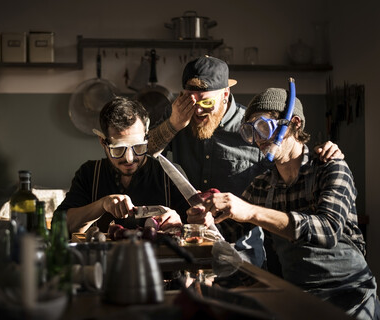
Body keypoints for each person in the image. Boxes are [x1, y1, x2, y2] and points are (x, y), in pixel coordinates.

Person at [190, 87, 379, 319]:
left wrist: (250, 211)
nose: (258, 140)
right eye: (250, 132)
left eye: (263, 127)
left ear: (295, 123)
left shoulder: (330, 168)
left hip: (350, 299)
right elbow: (225, 231)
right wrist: (204, 219)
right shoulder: (263, 185)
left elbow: (327, 230)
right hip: (297, 298)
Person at [147, 55, 343, 267]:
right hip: (191, 241)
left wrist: (325, 154)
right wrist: (173, 125)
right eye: (190, 101)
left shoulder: (252, 128)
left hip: (243, 249)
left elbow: (287, 157)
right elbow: (141, 157)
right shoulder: (177, 116)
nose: (198, 110)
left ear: (225, 94)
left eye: (206, 102)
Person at [56, 97, 189, 234]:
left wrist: (180, 223)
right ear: (103, 142)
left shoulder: (170, 174)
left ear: (147, 138)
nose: (130, 159)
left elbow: (200, 228)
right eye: (119, 149)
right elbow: (60, 227)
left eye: (138, 147)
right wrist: (101, 205)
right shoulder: (90, 174)